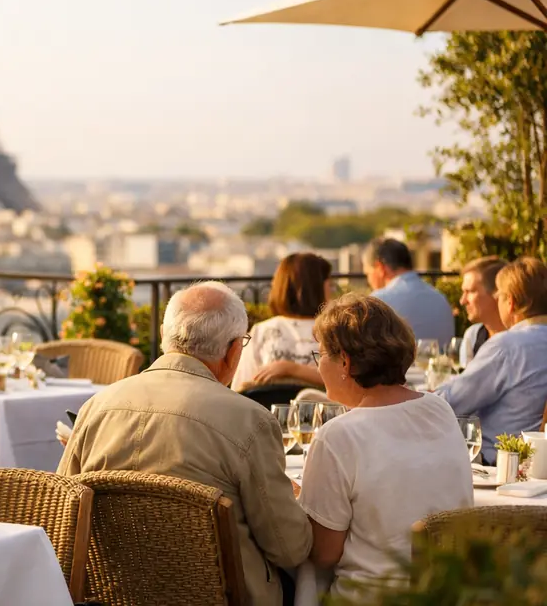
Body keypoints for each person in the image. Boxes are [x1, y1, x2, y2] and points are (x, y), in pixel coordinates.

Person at [58, 282, 311, 606]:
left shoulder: (97, 407)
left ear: (166, 337)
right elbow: (290, 548)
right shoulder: (250, 420)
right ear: (233, 350)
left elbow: (64, 519)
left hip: (111, 597)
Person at [299, 293, 473, 597]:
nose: (318, 366)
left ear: (345, 362)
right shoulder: (439, 409)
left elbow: (323, 554)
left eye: (320, 354)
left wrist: (300, 501)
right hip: (445, 592)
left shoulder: (338, 436)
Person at [436, 257, 547, 463]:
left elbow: (451, 403)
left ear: (510, 302)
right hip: (535, 465)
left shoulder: (508, 346)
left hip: (494, 464)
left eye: (500, 296)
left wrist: (408, 397)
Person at [233, 253, 332, 390]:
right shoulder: (336, 332)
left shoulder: (260, 331)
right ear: (317, 286)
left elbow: (241, 387)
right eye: (329, 283)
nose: (331, 290)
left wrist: (290, 369)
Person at [364, 238, 454, 346]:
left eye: (367, 274)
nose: (368, 281)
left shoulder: (378, 302)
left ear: (380, 268)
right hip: (441, 362)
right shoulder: (440, 298)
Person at [457, 257, 507, 369]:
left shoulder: (523, 341)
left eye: (470, 291)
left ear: (497, 293)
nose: (462, 301)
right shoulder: (473, 336)